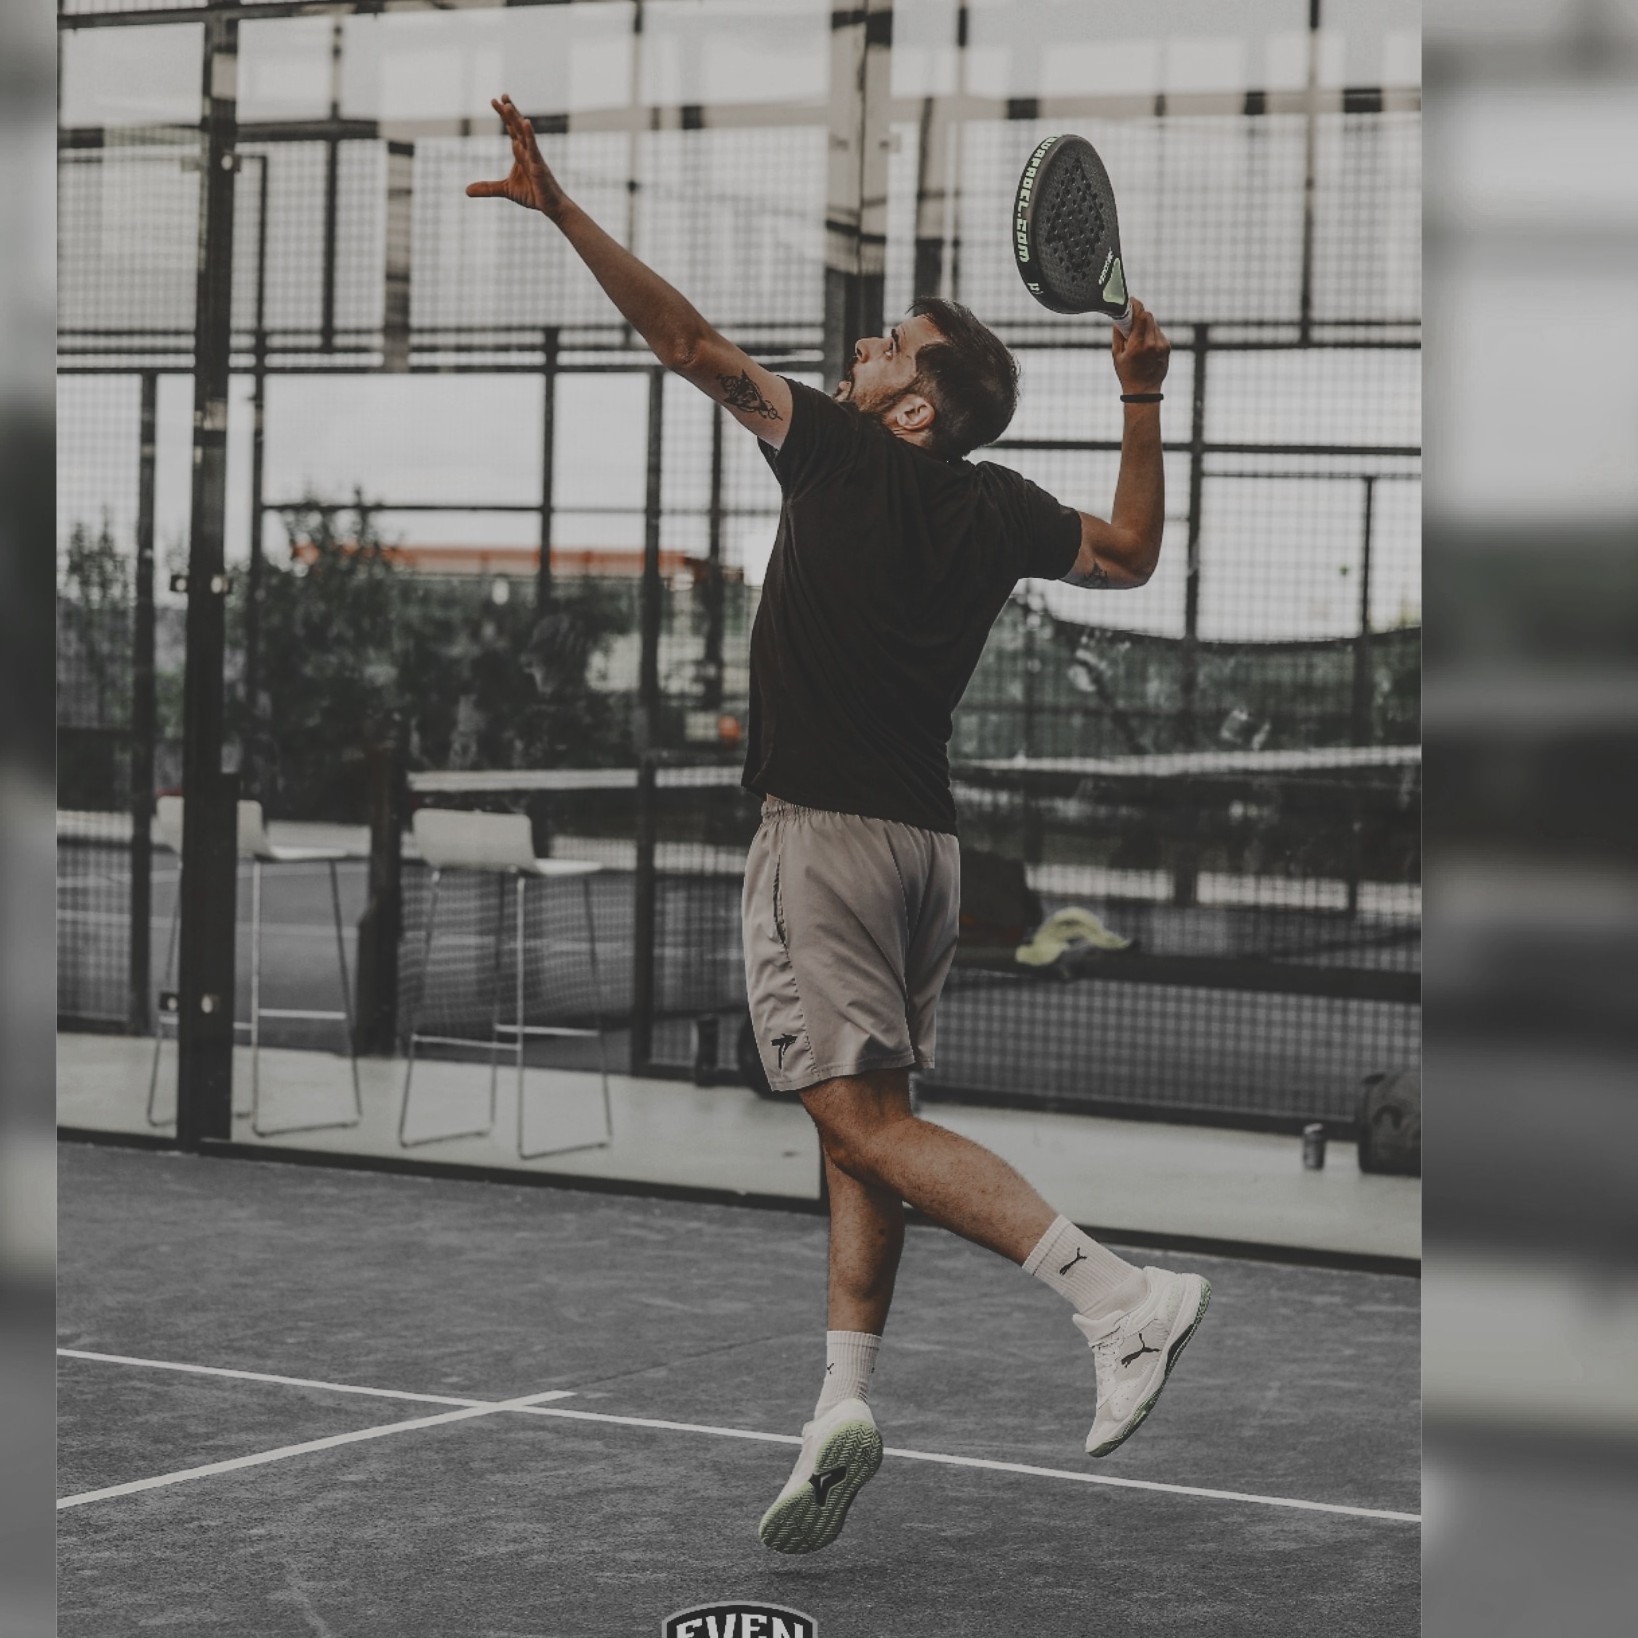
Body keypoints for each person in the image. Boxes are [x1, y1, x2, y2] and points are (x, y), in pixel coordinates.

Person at [469, 94, 1210, 1557]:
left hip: (820, 839)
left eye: (889, 345)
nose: (862, 349)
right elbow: (1131, 552)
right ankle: (841, 1401)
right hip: (923, 851)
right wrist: (1141, 397)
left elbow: (686, 342)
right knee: (862, 1132)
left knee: (860, 1119)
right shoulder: (997, 507)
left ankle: (1119, 1299)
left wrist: (561, 211)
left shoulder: (830, 448)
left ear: (912, 405)